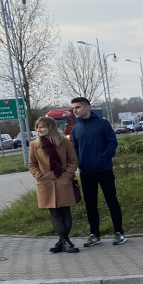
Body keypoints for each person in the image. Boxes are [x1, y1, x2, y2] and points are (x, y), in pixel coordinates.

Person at [70, 96, 126, 246]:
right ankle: (94, 234)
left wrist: (104, 157)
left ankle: (119, 232)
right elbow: (74, 148)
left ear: (87, 107)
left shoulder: (102, 124)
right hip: (86, 172)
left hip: (104, 169)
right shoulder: (76, 128)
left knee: (111, 200)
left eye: (77, 107)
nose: (74, 110)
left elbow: (112, 142)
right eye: (73, 108)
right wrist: (78, 163)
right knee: (90, 204)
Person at [28, 115, 81, 254]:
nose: (39, 129)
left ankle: (62, 242)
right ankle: (66, 243)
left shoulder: (64, 142)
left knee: (65, 212)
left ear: (50, 127)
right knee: (54, 213)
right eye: (37, 127)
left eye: (42, 126)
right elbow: (32, 164)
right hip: (45, 183)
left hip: (63, 182)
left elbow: (73, 161)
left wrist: (67, 175)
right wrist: (39, 176)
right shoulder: (35, 144)